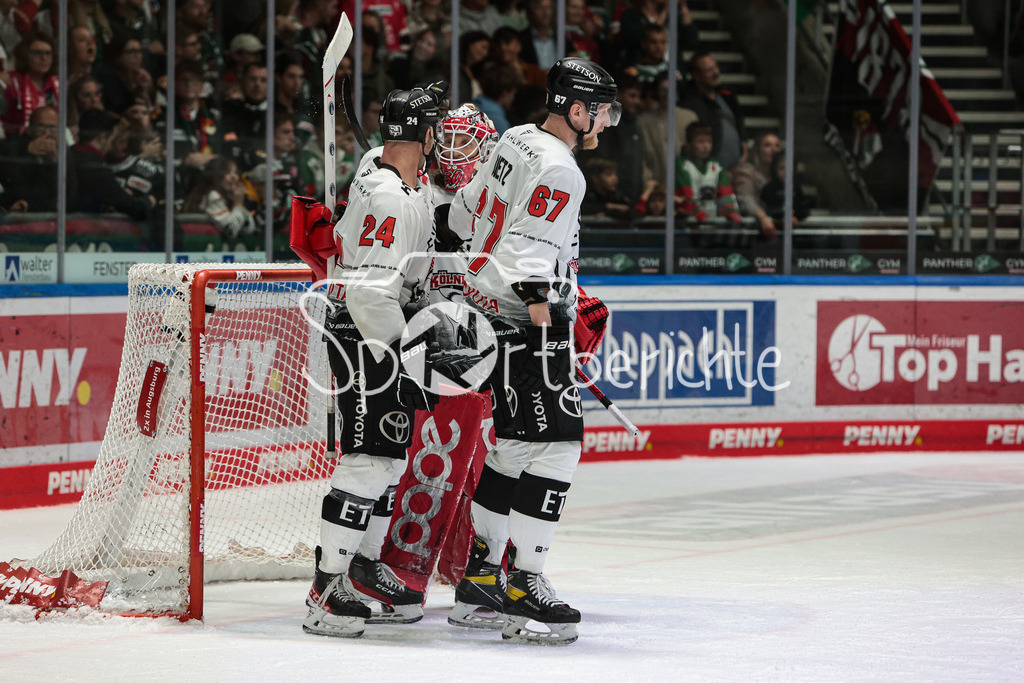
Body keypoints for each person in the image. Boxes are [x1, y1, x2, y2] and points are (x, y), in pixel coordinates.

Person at [447, 56, 619, 645]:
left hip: (491, 314)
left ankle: (479, 581)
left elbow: (463, 212)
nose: (603, 121)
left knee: (514, 449)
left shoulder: (517, 138)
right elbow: (526, 260)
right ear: (576, 109)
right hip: (525, 321)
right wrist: (551, 336)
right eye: (599, 111)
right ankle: (525, 582)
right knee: (559, 449)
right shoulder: (562, 169)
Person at [304, 85, 445, 639]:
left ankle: (360, 569)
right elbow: (368, 295)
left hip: (383, 331)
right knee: (366, 460)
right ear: (424, 135)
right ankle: (325, 591)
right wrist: (409, 356)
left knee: (387, 458)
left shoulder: (383, 170)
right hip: (368, 337)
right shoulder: (388, 196)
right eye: (434, 126)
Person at [69, 108, 155, 219]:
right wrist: (148, 202)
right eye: (111, 140)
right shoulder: (94, 167)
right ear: (101, 138)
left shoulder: (68, 154)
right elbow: (130, 207)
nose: (110, 147)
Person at [679, 50, 745, 170]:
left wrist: (743, 145)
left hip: (736, 167)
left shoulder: (727, 95)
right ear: (695, 75)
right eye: (709, 70)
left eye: (715, 67)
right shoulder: (690, 103)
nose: (716, 73)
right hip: (708, 170)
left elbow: (739, 121)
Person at [675, 121, 742, 226]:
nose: (706, 146)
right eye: (700, 142)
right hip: (687, 226)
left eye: (709, 141)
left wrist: (731, 212)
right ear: (688, 145)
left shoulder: (716, 165)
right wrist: (699, 214)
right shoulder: (681, 164)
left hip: (711, 223)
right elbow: (684, 196)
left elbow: (726, 194)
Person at [731, 132, 780, 240]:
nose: (774, 149)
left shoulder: (781, 175)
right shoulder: (746, 170)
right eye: (768, 145)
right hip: (749, 232)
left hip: (775, 232)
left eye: (777, 145)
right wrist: (762, 217)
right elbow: (745, 199)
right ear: (757, 149)